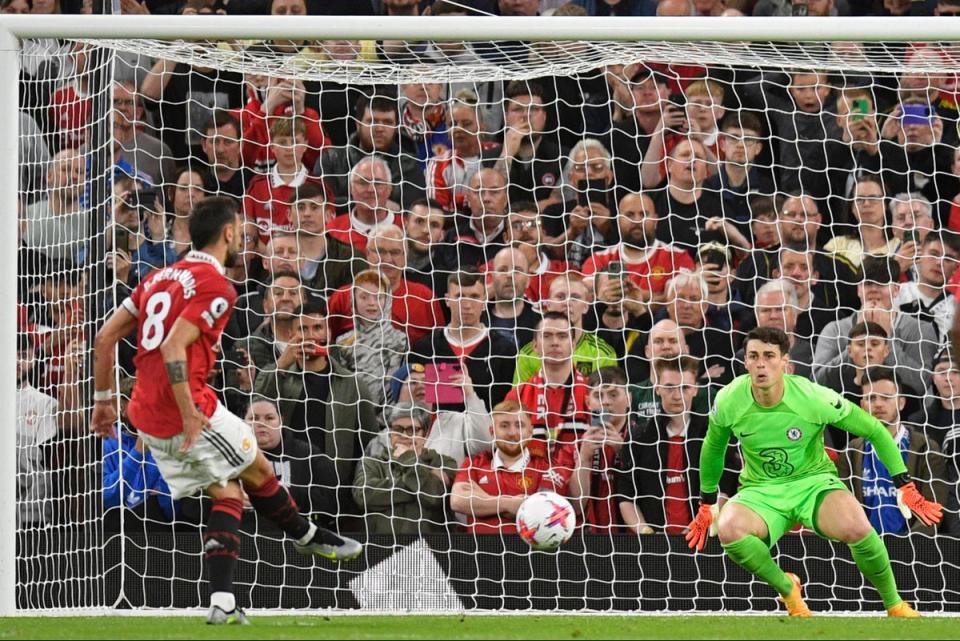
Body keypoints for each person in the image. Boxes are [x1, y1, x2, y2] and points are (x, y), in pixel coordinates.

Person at [91, 198, 362, 625]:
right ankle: (305, 535)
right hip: (186, 407)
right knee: (256, 468)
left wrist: (104, 401)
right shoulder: (218, 287)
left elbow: (105, 338)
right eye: (243, 230)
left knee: (227, 493)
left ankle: (222, 600)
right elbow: (172, 345)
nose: (245, 236)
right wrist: (189, 413)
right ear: (230, 234)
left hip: (145, 409)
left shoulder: (157, 278)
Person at [686, 326, 943, 618]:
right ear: (745, 361)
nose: (761, 364)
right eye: (753, 356)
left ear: (785, 362)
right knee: (729, 529)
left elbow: (873, 429)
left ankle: (894, 604)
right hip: (761, 490)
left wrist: (904, 484)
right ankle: (788, 589)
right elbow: (713, 447)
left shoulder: (813, 397)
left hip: (813, 484)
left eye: (769, 356)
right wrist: (707, 501)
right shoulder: (729, 399)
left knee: (857, 528)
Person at [616, 357, 738, 535]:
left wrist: (700, 526)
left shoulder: (714, 435)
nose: (676, 395)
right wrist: (645, 532)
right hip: (652, 545)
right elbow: (626, 495)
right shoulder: (639, 437)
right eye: (669, 387)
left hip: (705, 540)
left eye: (684, 387)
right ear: (657, 389)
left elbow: (726, 490)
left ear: (695, 389)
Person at [836, 367, 948, 536]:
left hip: (913, 552)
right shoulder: (850, 452)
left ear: (901, 402)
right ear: (862, 405)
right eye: (871, 398)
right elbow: (844, 509)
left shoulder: (926, 449)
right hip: (866, 549)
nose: (878, 404)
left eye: (886, 397)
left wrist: (910, 547)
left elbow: (934, 508)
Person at [450, 400, 573, 533]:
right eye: (504, 426)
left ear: (530, 431)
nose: (512, 433)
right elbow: (457, 501)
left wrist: (484, 497)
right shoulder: (474, 463)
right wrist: (510, 504)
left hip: (530, 551)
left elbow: (543, 516)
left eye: (519, 425)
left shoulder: (547, 467)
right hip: (480, 550)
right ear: (492, 431)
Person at [353, 401, 457, 536]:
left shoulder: (444, 462)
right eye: (397, 429)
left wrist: (408, 458)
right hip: (381, 547)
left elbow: (434, 496)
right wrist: (421, 485)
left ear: (424, 434)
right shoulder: (372, 462)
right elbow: (363, 497)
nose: (405, 435)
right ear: (390, 432)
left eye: (412, 429)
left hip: (429, 547)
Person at [334, 269, 408, 407]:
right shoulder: (343, 342)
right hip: (357, 414)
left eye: (378, 297)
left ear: (387, 299)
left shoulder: (400, 340)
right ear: (353, 299)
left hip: (392, 415)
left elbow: (402, 382)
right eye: (364, 297)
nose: (371, 303)